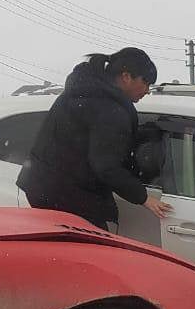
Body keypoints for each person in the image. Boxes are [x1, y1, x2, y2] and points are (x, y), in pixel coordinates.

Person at [18, 48, 171, 231]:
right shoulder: (109, 109)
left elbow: (90, 138)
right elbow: (106, 166)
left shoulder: (83, 91)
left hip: (42, 185)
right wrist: (144, 197)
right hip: (66, 195)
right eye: (145, 82)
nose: (147, 90)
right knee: (91, 252)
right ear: (126, 76)